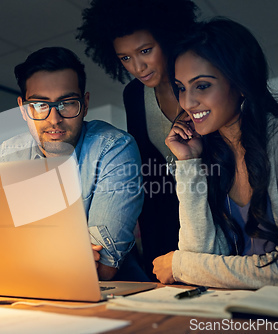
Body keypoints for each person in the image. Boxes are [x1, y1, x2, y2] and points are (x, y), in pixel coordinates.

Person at [153, 17, 278, 289]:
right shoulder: (210, 155)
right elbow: (200, 254)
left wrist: (179, 264)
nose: (187, 102)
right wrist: (188, 164)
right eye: (181, 88)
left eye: (202, 85)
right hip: (239, 311)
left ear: (241, 83)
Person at [0, 47, 147, 281]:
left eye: (67, 103)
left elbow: (102, 267)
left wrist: (23, 249)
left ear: (84, 104)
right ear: (23, 110)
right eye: (40, 105)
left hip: (112, 297)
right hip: (22, 294)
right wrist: (69, 252)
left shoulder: (114, 148)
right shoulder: (7, 155)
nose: (54, 119)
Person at [76, 0, 198, 280]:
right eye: (125, 58)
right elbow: (145, 169)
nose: (138, 66)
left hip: (213, 212)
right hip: (163, 221)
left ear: (167, 37)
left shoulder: (204, 85)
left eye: (145, 51)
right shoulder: (133, 94)